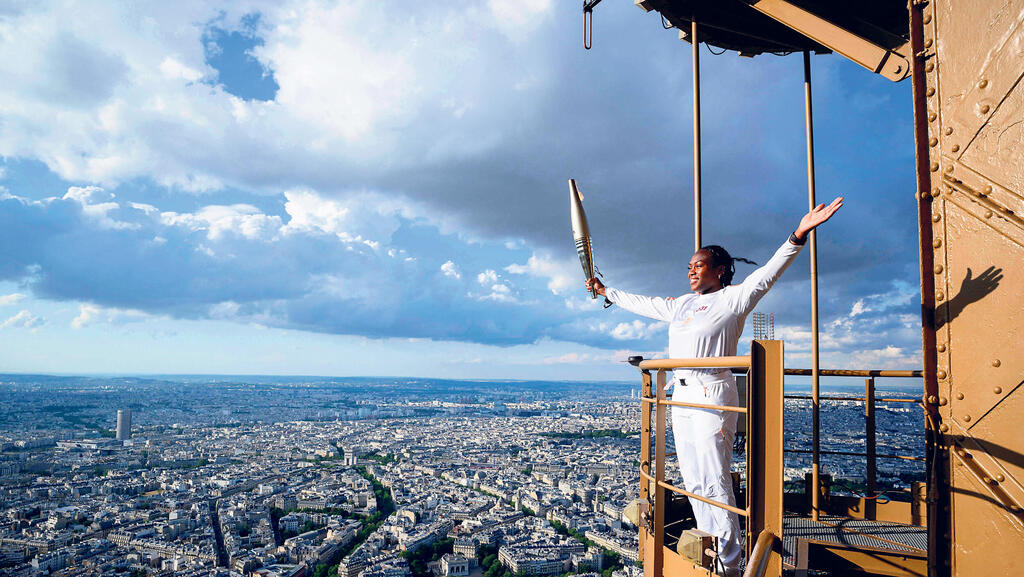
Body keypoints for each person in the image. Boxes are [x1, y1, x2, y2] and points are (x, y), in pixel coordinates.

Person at [585, 197, 843, 577]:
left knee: (714, 479)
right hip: (682, 395)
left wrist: (798, 234)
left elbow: (768, 274)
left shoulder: (733, 299)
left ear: (720, 271)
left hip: (711, 393)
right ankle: (711, 546)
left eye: (699, 265)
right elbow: (646, 303)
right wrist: (608, 292)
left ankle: (730, 564)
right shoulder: (683, 305)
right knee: (693, 478)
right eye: (689, 266)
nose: (691, 270)